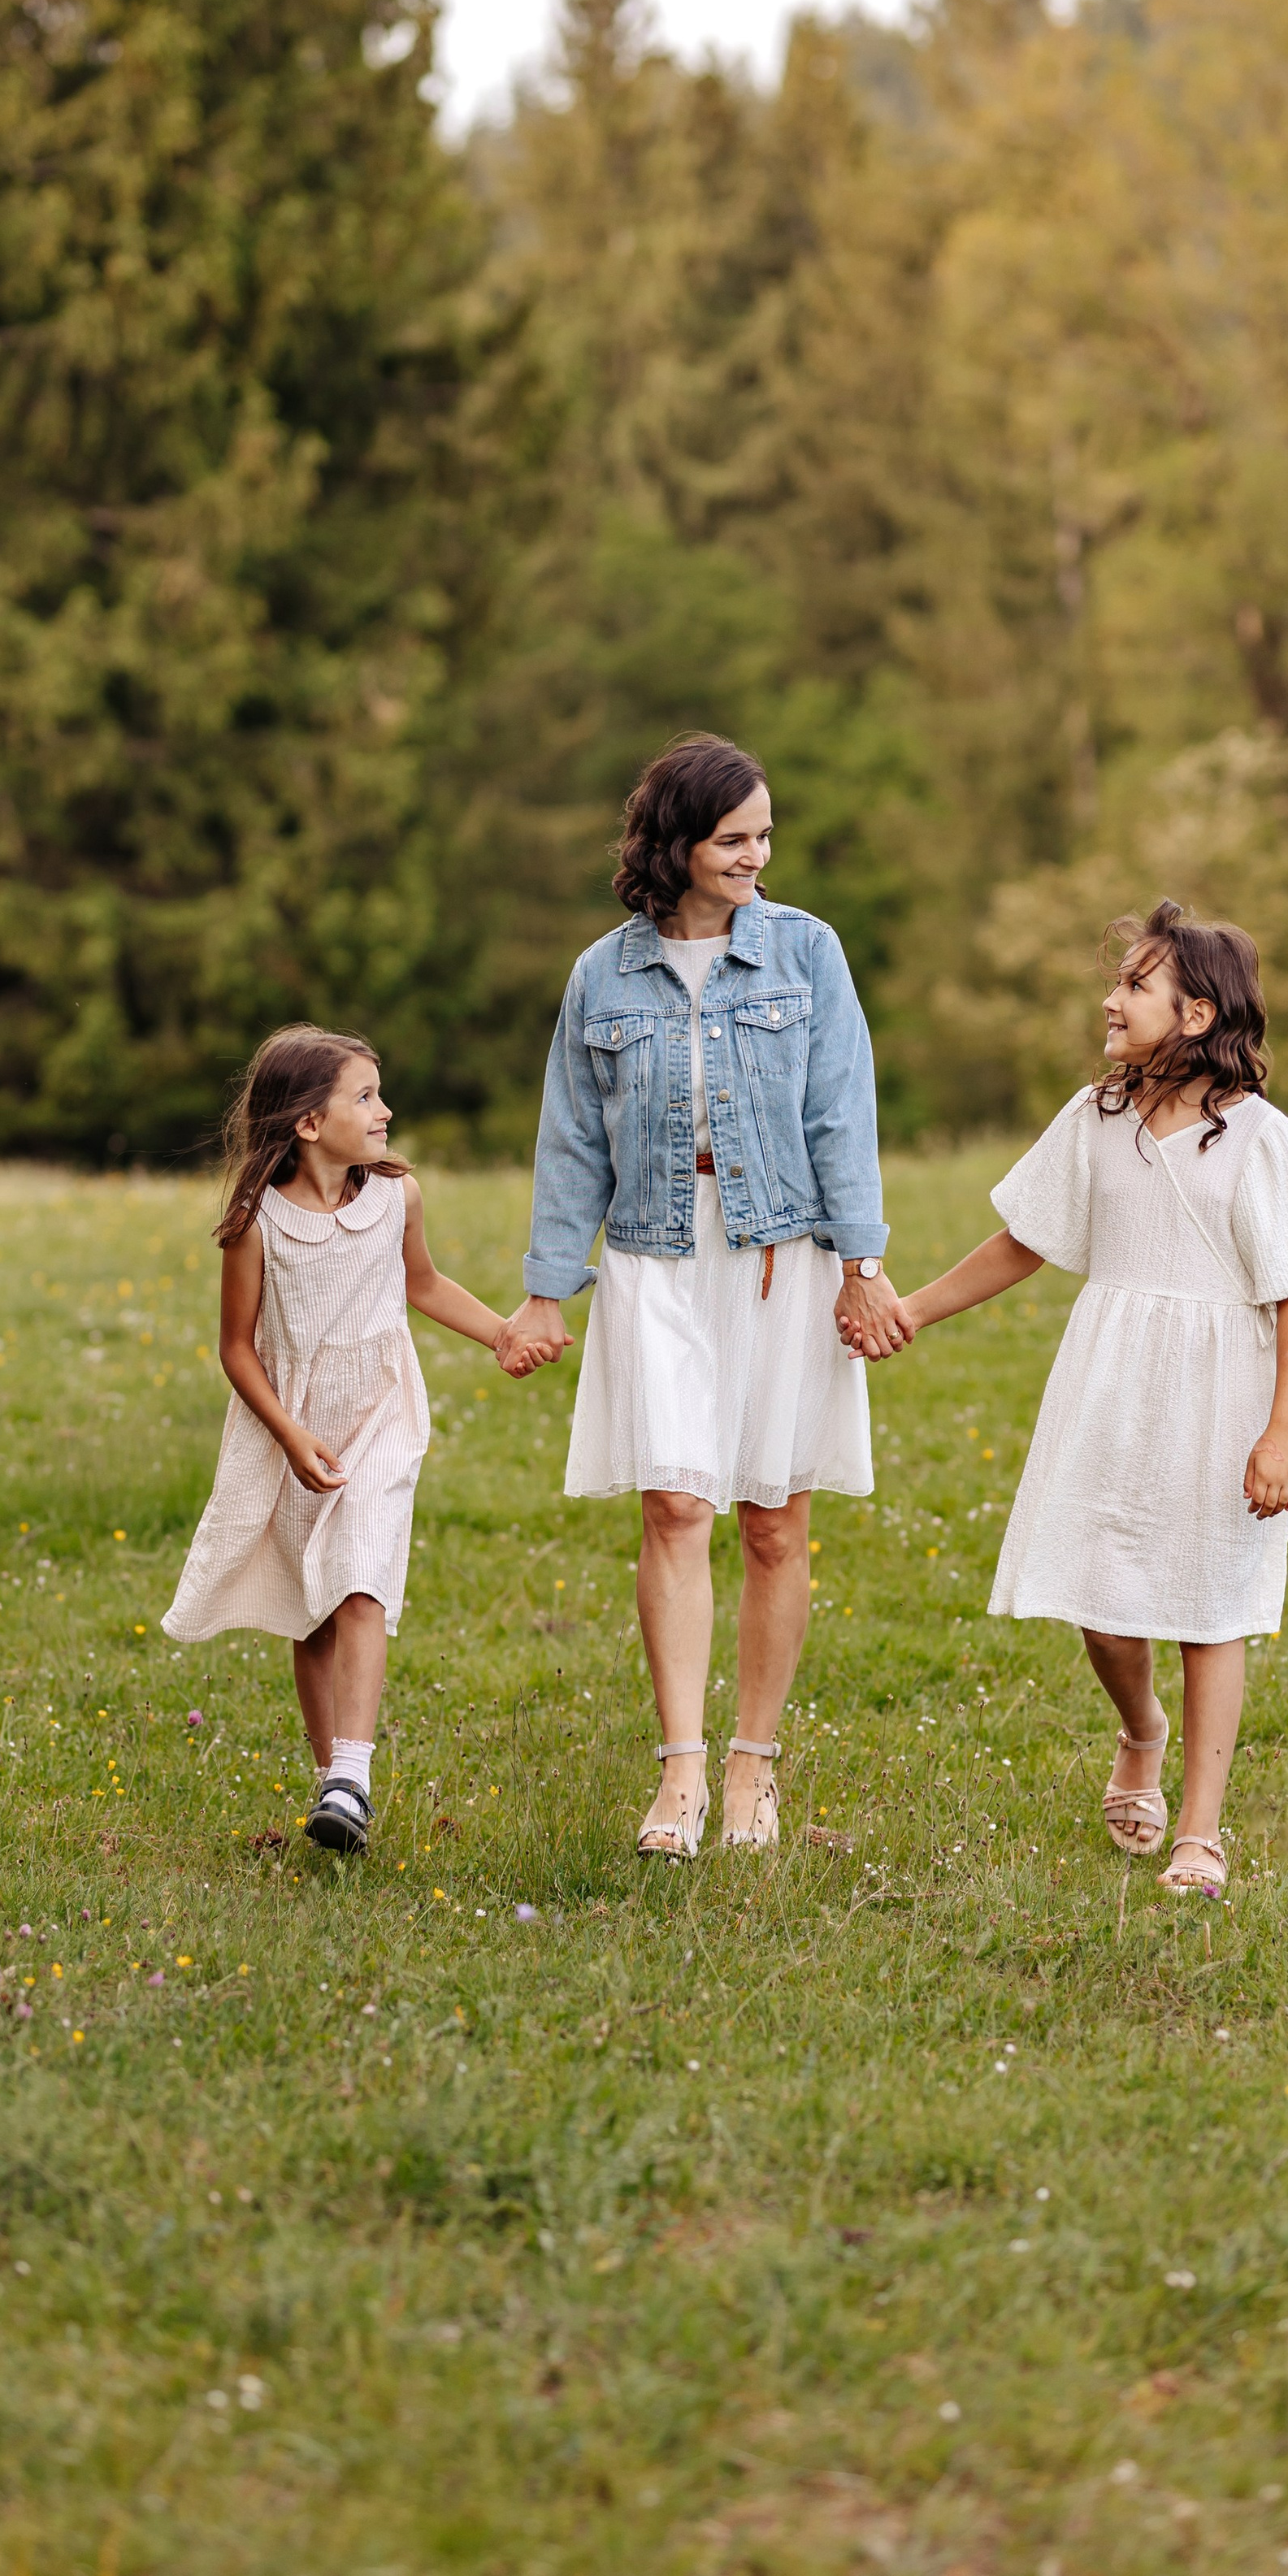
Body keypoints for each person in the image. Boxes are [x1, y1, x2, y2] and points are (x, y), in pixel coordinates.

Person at [869, 898, 1288, 1898]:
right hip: (1109, 1381)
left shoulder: (1261, 1141)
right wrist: (913, 1306)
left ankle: (1200, 1835)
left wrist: (1283, 1430)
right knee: (1101, 1606)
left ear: (1197, 1014)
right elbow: (1024, 1240)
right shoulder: (1095, 1119)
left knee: (1209, 1608)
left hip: (1220, 1390)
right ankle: (1141, 1729)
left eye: (1135, 983)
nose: (1110, 997)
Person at [506, 734, 910, 1860]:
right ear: (675, 844)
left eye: (764, 837)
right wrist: (549, 1292)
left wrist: (864, 1269)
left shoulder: (806, 954)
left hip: (783, 1251)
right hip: (654, 1255)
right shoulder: (604, 975)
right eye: (733, 839)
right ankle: (679, 1772)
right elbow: (571, 1140)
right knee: (676, 1505)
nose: (754, 857)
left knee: (775, 1522)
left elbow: (842, 1113)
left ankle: (752, 1767)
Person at [162, 1026, 537, 1854]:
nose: (385, 1109)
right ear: (305, 1122)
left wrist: (502, 1333)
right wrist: (290, 1434)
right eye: (364, 1095)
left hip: (379, 1417)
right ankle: (338, 1789)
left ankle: (350, 1776)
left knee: (363, 1580)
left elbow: (424, 1283)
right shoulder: (258, 1223)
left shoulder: (395, 1195)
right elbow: (235, 1346)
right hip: (295, 1423)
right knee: (315, 1613)